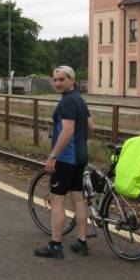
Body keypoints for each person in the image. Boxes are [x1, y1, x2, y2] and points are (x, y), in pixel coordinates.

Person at [34, 66, 95, 259]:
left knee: (57, 200)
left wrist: (53, 156)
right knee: (78, 199)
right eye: (55, 80)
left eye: (62, 79)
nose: (58, 83)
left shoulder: (67, 101)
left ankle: (55, 246)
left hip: (66, 159)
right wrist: (81, 142)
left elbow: (67, 131)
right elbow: (91, 126)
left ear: (72, 80)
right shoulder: (80, 100)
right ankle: (81, 242)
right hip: (80, 157)